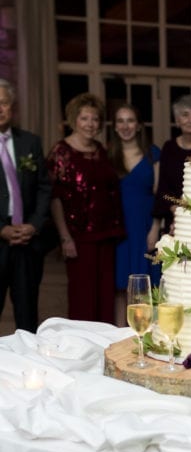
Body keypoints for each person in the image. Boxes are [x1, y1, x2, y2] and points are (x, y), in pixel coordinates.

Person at [47, 93, 124, 323]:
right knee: (83, 298)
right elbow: (54, 198)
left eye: (95, 119)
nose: (90, 124)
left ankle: (104, 352)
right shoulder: (61, 152)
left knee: (105, 299)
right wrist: (64, 237)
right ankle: (81, 353)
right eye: (84, 118)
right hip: (79, 237)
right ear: (74, 120)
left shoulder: (101, 150)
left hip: (108, 234)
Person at [0, 79, 52, 332]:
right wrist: (1, 228)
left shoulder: (29, 142)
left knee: (27, 315)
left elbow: (44, 187)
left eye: (3, 102)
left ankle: (29, 369)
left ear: (12, 107)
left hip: (27, 240)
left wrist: (34, 224)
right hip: (0, 236)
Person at [108, 102, 161, 326]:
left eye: (130, 120)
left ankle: (147, 338)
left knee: (147, 287)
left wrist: (155, 229)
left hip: (145, 225)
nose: (125, 125)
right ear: (115, 126)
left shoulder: (153, 153)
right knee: (120, 286)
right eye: (121, 121)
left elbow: (159, 194)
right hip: (118, 227)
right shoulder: (107, 154)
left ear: (139, 126)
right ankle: (120, 336)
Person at [153, 95, 191, 236]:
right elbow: (163, 190)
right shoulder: (169, 148)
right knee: (180, 258)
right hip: (175, 220)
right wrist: (178, 208)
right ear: (177, 121)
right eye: (185, 115)